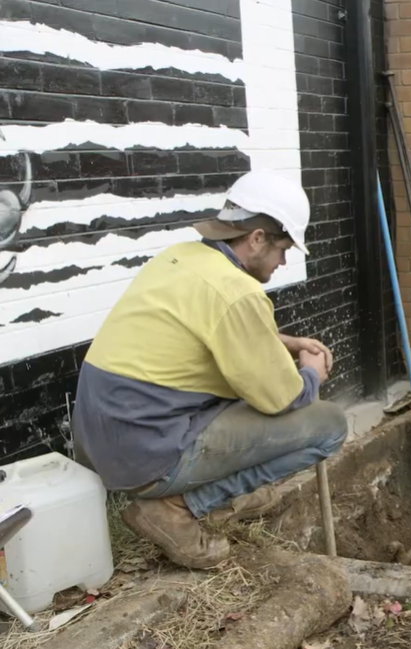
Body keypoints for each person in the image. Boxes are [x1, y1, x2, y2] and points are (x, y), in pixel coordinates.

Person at [72, 170, 348, 569]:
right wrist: (311, 374)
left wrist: (284, 343)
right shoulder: (239, 292)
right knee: (328, 425)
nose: (284, 261)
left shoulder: (180, 257)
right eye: (282, 249)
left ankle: (233, 493)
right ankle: (178, 509)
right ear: (257, 238)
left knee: (238, 399)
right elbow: (280, 398)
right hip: (149, 456)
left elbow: (209, 332)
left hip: (107, 442)